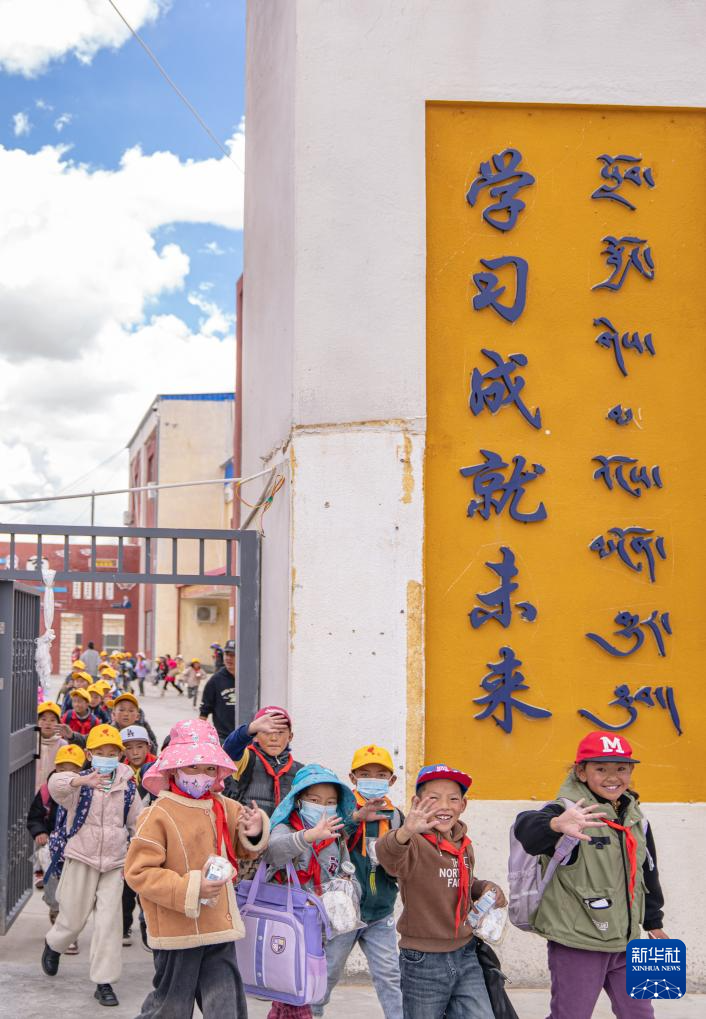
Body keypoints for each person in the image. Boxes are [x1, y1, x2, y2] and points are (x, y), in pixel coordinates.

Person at [513, 731, 667, 1019]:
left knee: (641, 1015)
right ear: (581, 772)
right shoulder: (567, 811)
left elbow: (647, 871)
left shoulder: (636, 819)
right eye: (601, 769)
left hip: (628, 941)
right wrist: (556, 825)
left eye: (621, 768)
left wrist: (653, 922)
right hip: (578, 943)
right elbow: (526, 829)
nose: (613, 777)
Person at [124, 718, 270, 1019]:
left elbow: (244, 849)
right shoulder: (157, 814)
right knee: (171, 1008)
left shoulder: (225, 807)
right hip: (177, 931)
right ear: (173, 769)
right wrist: (191, 887)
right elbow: (139, 872)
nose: (201, 775)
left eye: (209, 768)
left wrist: (254, 831)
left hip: (219, 927)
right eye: (192, 767)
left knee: (226, 1007)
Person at [375, 763, 506, 1019]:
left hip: (465, 953)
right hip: (423, 960)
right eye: (434, 798)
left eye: (453, 799)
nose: (445, 806)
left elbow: (461, 880)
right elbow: (387, 856)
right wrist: (405, 831)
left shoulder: (463, 844)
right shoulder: (412, 843)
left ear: (463, 805)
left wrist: (483, 888)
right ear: (417, 803)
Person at [41, 724, 142, 1008]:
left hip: (114, 863)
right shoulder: (78, 784)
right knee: (73, 918)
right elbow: (54, 785)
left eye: (112, 753)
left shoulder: (127, 786)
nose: (106, 758)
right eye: (100, 752)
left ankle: (104, 982)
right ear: (89, 754)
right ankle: (54, 945)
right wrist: (80, 781)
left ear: (119, 756)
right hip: (81, 858)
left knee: (109, 923)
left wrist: (140, 847)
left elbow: (138, 821)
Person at [313, 744, 404, 1019]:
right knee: (327, 972)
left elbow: (403, 859)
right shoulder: (340, 810)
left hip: (380, 912)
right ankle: (310, 1014)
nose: (373, 779)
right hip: (343, 913)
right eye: (365, 774)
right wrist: (355, 819)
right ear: (352, 778)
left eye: (380, 775)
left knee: (390, 975)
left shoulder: (396, 816)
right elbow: (327, 843)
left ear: (391, 780)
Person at [265, 763, 358, 1019]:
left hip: (318, 932)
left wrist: (346, 890)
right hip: (285, 929)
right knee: (296, 995)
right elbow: (272, 852)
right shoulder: (286, 829)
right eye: (314, 801)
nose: (322, 807)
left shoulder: (337, 837)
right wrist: (308, 836)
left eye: (330, 802)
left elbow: (346, 875)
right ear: (298, 801)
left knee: (292, 999)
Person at [27, 744, 86, 949]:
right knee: (54, 890)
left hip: (78, 849)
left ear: (81, 770)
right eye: (62, 769)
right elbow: (34, 817)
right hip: (52, 849)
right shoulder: (46, 791)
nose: (66, 774)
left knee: (73, 893)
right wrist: (40, 832)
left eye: (73, 769)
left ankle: (68, 935)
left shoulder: (86, 791)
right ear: (56, 768)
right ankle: (55, 911)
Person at [223, 705, 303, 816]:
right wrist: (250, 728)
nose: (274, 738)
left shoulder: (301, 771)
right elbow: (229, 749)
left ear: (290, 736)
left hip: (283, 828)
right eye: (266, 732)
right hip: (247, 825)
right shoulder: (247, 758)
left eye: (280, 732)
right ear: (255, 736)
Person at [119, 725, 157, 947]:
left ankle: (147, 925)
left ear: (148, 747)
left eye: (139, 747)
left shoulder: (158, 769)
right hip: (125, 836)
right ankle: (124, 925)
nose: (135, 752)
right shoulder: (118, 771)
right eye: (129, 748)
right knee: (125, 888)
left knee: (149, 885)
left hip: (151, 835)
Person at [199, 639, 236, 742]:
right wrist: (200, 735)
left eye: (233, 655)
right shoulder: (216, 680)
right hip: (224, 737)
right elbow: (204, 711)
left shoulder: (249, 678)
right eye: (227, 654)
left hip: (247, 737)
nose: (228, 658)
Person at [36, 702, 67, 791]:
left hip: (53, 792)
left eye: (52, 720)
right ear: (37, 721)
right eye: (43, 719)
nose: (48, 723)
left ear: (59, 723)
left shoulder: (63, 745)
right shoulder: (31, 743)